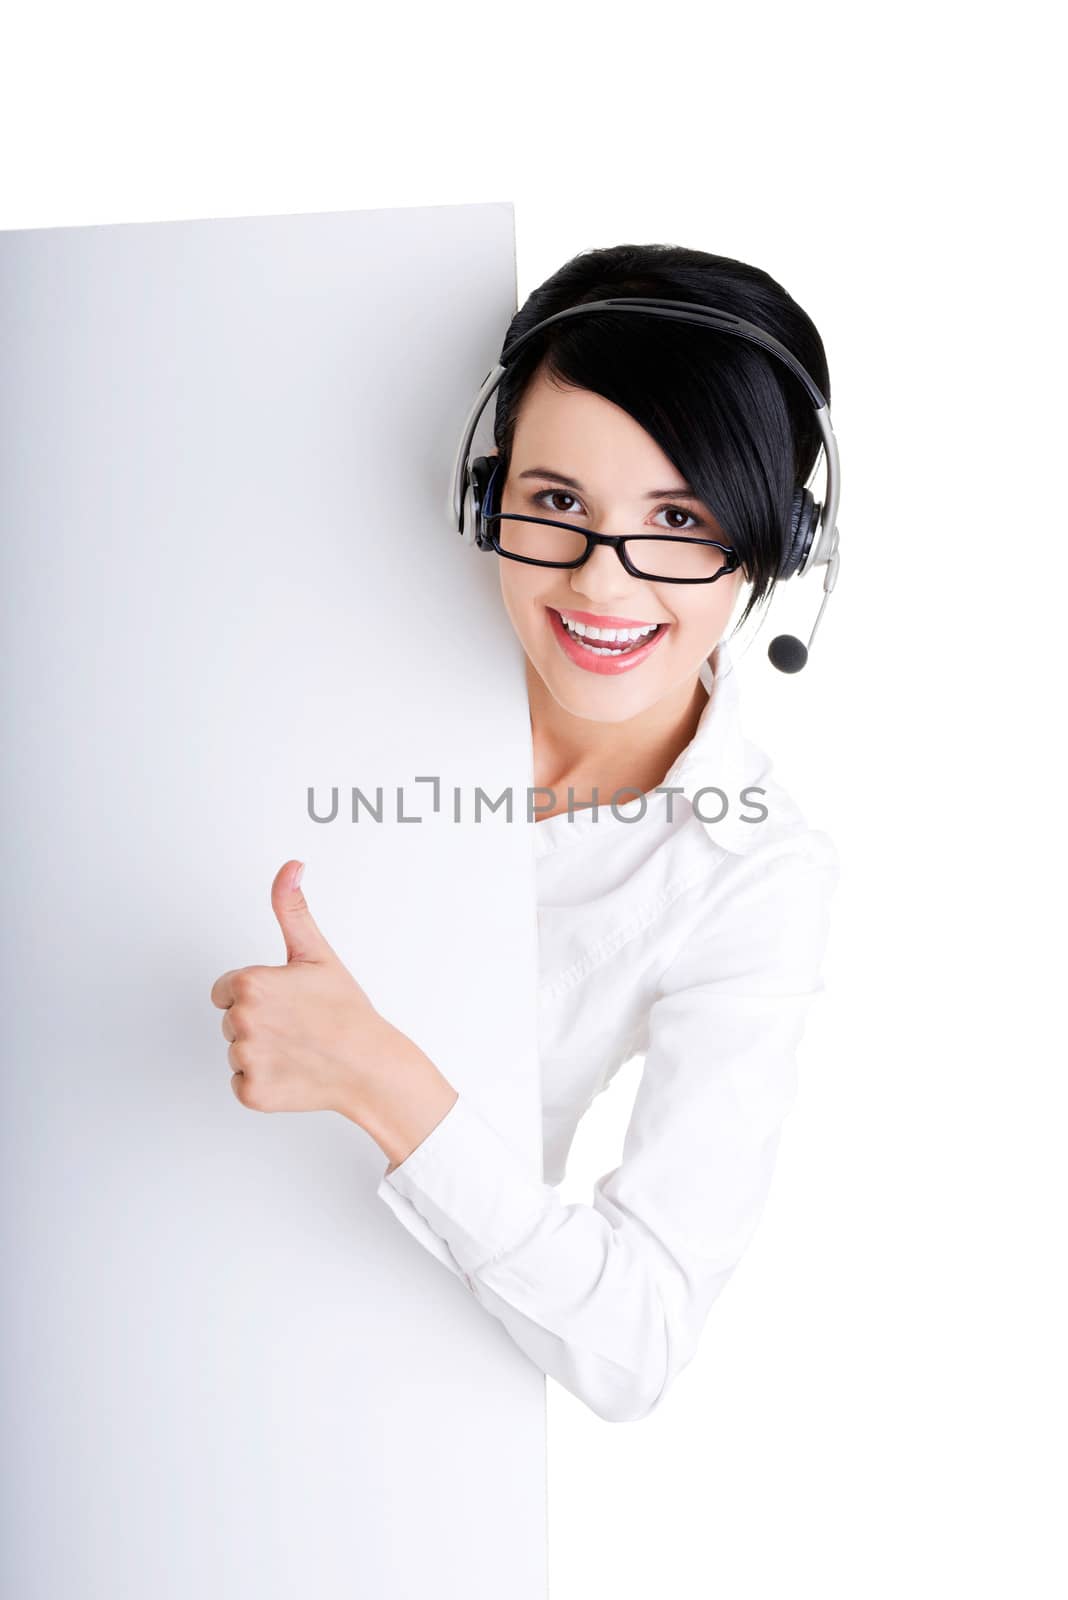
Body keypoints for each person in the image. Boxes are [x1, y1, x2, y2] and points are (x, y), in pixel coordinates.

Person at [210, 243, 840, 1425]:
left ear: (776, 547)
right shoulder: (323, 655)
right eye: (556, 504)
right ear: (485, 496)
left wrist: (377, 1078)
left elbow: (636, 1342)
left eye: (681, 518)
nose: (603, 585)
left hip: (358, 1394)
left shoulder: (751, 875)